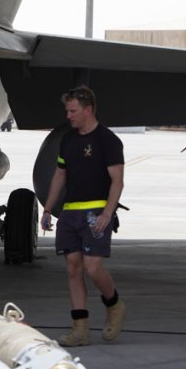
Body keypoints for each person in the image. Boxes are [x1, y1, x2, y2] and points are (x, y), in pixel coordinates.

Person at [40, 86, 126, 347]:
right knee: (73, 268)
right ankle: (80, 329)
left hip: (96, 213)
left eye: (73, 110)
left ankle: (114, 304)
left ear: (88, 110)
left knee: (93, 267)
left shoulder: (108, 140)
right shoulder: (68, 139)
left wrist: (107, 214)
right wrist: (47, 208)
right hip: (70, 213)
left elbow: (117, 181)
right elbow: (60, 175)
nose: (69, 115)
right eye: (67, 110)